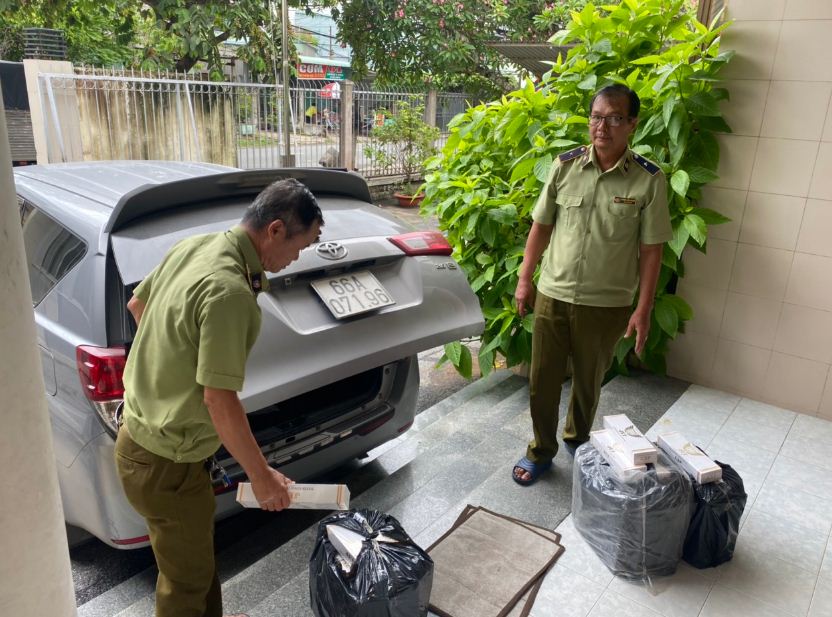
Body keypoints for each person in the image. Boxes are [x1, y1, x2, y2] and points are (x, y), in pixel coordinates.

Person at [115, 178, 324, 617]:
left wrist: (168, 375)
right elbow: (219, 400)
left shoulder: (195, 246)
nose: (294, 259)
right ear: (275, 230)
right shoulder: (230, 291)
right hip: (167, 463)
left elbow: (138, 306)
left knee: (193, 562)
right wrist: (262, 477)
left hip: (142, 444)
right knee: (184, 585)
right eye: (300, 247)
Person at [512, 84, 672, 486]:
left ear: (631, 124)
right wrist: (525, 279)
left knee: (588, 382)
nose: (603, 127)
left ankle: (578, 441)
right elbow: (541, 226)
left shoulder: (648, 180)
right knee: (542, 382)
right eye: (597, 117)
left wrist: (643, 309)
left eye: (614, 118)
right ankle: (540, 450)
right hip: (554, 293)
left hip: (607, 303)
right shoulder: (564, 167)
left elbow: (651, 250)